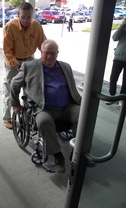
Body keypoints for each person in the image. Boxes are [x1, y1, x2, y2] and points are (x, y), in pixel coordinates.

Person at [10, 39, 81, 174]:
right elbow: (14, 84)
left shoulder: (66, 66)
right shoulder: (29, 66)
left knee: (83, 116)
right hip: (43, 108)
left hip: (67, 106)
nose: (49, 57)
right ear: (41, 52)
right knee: (43, 121)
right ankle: (57, 155)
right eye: (46, 53)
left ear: (57, 53)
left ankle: (77, 151)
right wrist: (15, 104)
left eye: (52, 53)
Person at [2, 2, 46, 130]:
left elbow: (42, 44)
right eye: (23, 17)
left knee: (30, 89)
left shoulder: (36, 26)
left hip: (29, 60)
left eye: (29, 17)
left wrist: (46, 57)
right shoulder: (10, 27)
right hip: (12, 61)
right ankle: (7, 118)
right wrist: (17, 65)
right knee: (10, 89)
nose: (26, 20)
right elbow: (7, 51)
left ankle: (28, 116)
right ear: (18, 15)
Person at [107, 17, 126, 106]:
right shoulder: (123, 28)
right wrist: (122, 25)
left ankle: (122, 98)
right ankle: (112, 96)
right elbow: (114, 38)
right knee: (113, 77)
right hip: (118, 57)